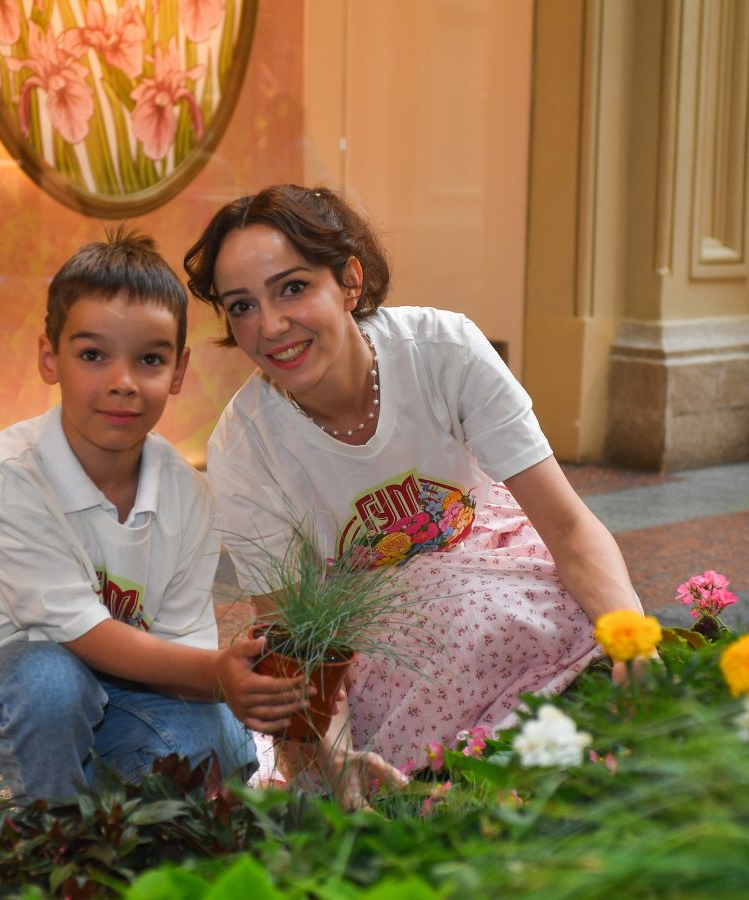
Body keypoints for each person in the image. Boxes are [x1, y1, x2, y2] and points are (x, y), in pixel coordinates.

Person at [183, 184, 648, 807]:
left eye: (293, 288)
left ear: (349, 280)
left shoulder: (444, 351)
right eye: (241, 306)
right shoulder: (246, 446)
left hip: (503, 579)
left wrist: (631, 638)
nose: (269, 327)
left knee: (581, 660)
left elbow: (567, 528)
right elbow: (297, 639)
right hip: (373, 650)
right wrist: (334, 750)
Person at [0, 228, 309, 806]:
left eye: (149, 359)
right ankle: (52, 842)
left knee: (223, 746)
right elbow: (78, 631)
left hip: (123, 688)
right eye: (92, 355)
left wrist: (227, 688)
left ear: (178, 372)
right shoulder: (12, 473)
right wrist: (218, 674)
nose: (122, 383)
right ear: (50, 357)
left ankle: (99, 798)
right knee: (54, 684)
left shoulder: (188, 494)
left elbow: (179, 647)